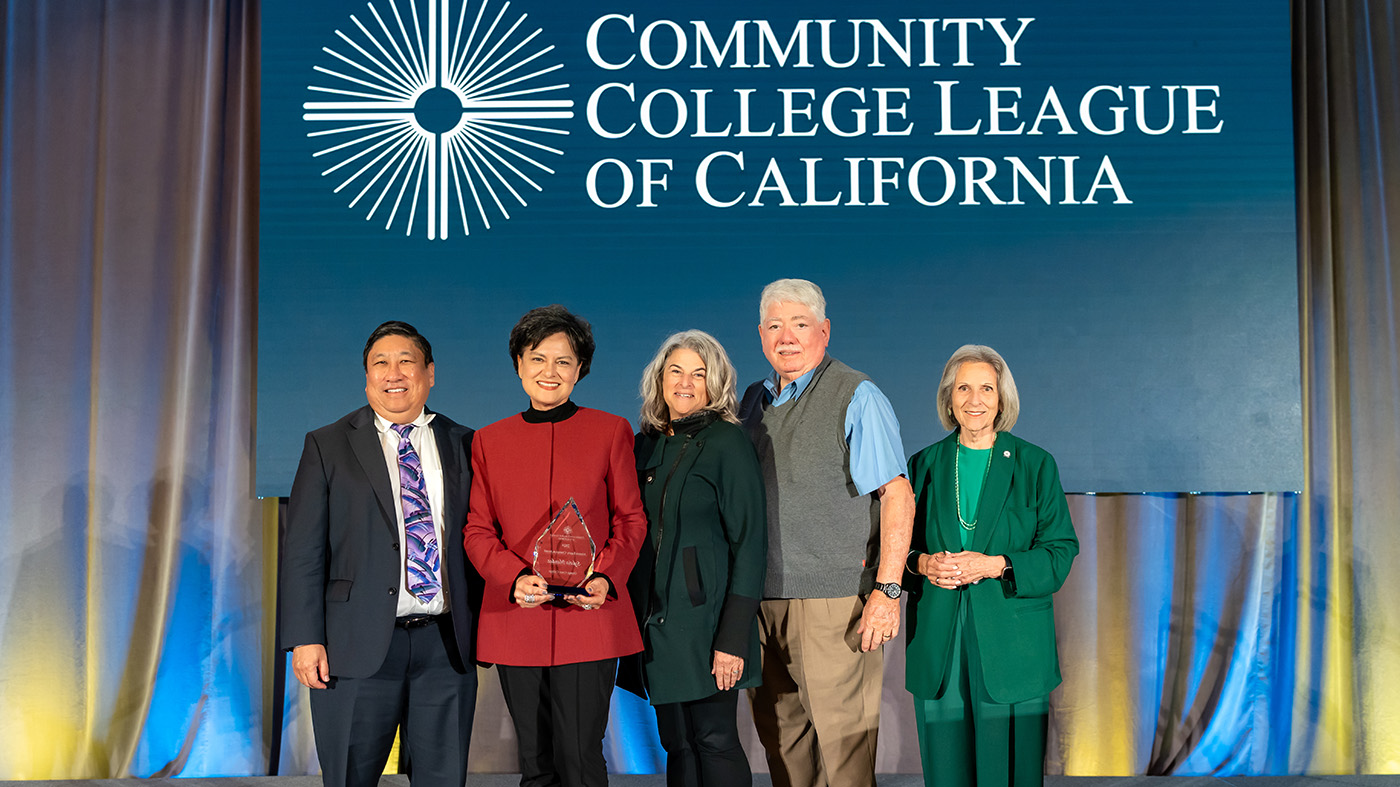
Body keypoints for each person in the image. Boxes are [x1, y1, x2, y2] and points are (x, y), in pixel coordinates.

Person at [278, 320, 479, 787]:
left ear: (430, 373)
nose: (394, 373)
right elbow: (303, 550)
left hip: (445, 647)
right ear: (366, 376)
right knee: (350, 777)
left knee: (445, 778)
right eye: (380, 363)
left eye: (406, 361)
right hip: (353, 646)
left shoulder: (465, 442)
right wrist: (305, 638)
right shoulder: (327, 444)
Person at [737, 278, 915, 787]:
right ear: (761, 334)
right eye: (775, 325)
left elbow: (897, 496)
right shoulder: (753, 400)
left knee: (843, 758)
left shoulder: (856, 394)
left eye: (800, 324)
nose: (786, 336)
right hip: (763, 600)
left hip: (835, 602)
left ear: (825, 330)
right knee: (783, 749)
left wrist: (887, 591)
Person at [464, 305, 647, 787]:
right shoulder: (488, 441)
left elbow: (631, 518)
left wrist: (606, 576)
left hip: (590, 618)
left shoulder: (611, 431)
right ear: (519, 364)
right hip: (518, 618)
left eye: (564, 361)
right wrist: (512, 577)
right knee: (536, 763)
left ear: (580, 369)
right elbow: (478, 531)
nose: (550, 372)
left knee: (582, 761)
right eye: (538, 358)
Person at [904, 345, 1079, 787]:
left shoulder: (1035, 464)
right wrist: (923, 563)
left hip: (1011, 643)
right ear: (948, 398)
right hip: (941, 639)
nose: (975, 399)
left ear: (1002, 399)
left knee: (1009, 772)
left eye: (986, 388)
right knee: (946, 770)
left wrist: (997, 564)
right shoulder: (923, 464)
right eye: (963, 388)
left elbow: (1060, 552)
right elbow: (899, 555)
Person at [624, 330, 767, 787]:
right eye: (676, 371)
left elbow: (751, 543)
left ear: (715, 383)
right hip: (656, 624)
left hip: (708, 625)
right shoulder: (642, 444)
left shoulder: (728, 442)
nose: (685, 383)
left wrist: (732, 637)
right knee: (677, 743)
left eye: (699, 374)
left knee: (714, 739)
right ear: (659, 379)